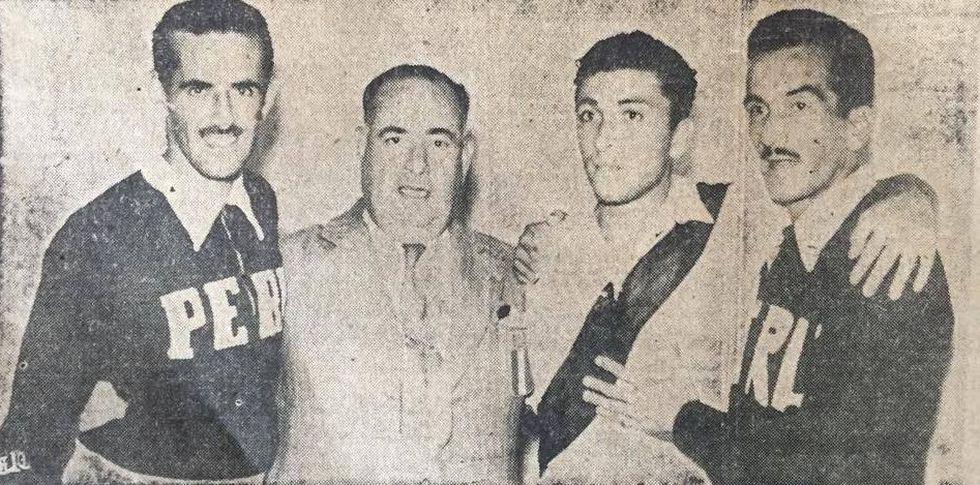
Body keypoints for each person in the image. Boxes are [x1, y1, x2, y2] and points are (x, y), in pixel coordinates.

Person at [514, 31, 941, 483]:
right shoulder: (548, 248)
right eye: (589, 116)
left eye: (632, 115)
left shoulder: (735, 219)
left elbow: (833, 185)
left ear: (680, 137)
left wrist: (911, 198)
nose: (603, 141)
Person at [0, 0, 282, 482]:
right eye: (199, 90)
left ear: (267, 99)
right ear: (164, 92)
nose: (224, 116)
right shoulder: (97, 237)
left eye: (243, 89)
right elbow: (28, 440)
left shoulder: (259, 201)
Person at [671, 9, 955, 484]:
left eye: (799, 107)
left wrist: (679, 420)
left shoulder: (886, 259)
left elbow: (825, 473)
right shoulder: (795, 248)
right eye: (758, 109)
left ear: (856, 129)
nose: (770, 135)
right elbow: (764, 430)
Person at [269, 64, 524, 484]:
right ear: (362, 145)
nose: (417, 165)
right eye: (395, 138)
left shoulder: (517, 274)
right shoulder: (289, 265)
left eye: (439, 142)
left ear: (466, 155)